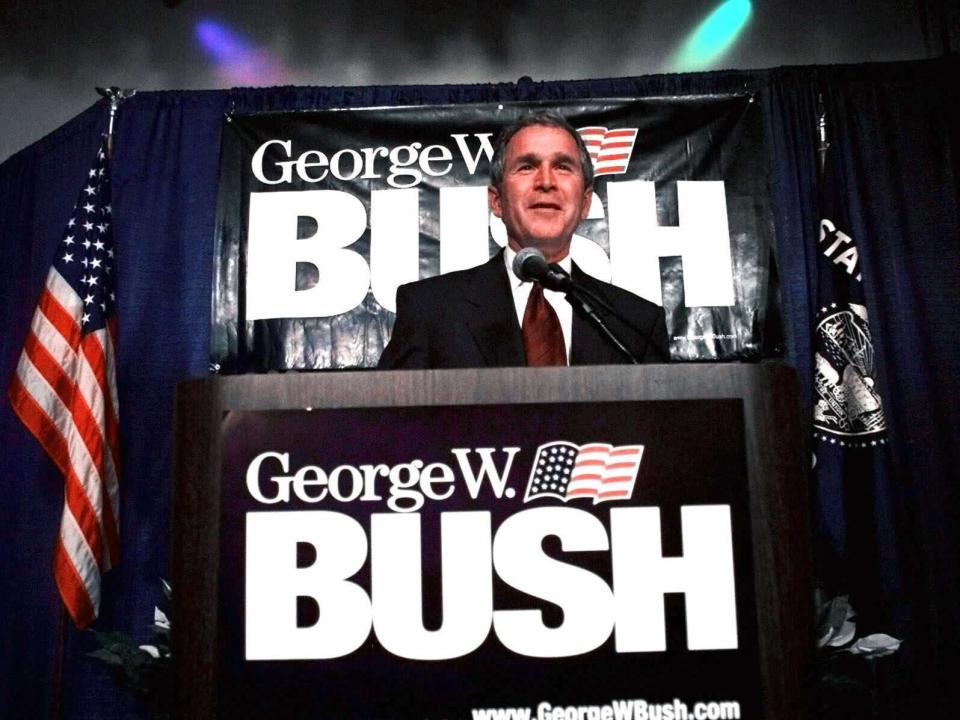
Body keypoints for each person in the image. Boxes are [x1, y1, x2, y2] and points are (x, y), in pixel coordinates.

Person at [378, 110, 669, 369]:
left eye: (563, 166)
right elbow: (389, 423)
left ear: (585, 203)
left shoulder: (636, 323)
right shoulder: (430, 310)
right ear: (497, 202)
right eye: (527, 166)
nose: (545, 182)